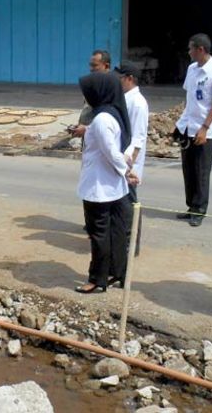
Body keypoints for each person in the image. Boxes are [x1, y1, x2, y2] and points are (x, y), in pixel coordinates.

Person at [75, 72, 137, 294]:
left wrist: (126, 170)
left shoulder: (101, 119)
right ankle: (117, 272)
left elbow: (111, 152)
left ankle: (97, 279)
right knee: (116, 232)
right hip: (114, 186)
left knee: (99, 233)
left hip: (98, 187)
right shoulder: (112, 113)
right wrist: (126, 172)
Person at [175, 33, 212, 227]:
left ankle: (200, 209)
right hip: (188, 127)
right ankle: (191, 206)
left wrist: (205, 128)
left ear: (201, 50)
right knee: (188, 169)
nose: (188, 52)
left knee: (201, 171)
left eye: (191, 49)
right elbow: (190, 99)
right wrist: (180, 124)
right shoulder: (191, 69)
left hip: (205, 130)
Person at [114, 60, 149, 202]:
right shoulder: (124, 99)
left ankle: (133, 225)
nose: (117, 82)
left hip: (128, 163)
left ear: (129, 78)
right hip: (120, 160)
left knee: (129, 202)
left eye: (120, 79)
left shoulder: (138, 103)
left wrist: (128, 166)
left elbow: (138, 139)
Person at [72, 49, 112, 139]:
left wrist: (87, 129)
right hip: (87, 136)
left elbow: (108, 120)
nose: (91, 69)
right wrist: (80, 126)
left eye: (94, 66)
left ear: (106, 66)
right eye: (90, 65)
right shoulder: (92, 84)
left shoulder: (111, 88)